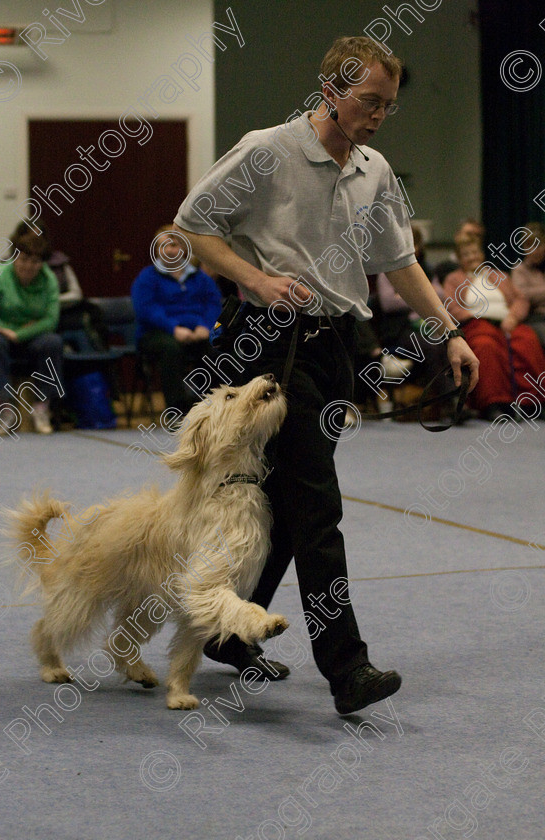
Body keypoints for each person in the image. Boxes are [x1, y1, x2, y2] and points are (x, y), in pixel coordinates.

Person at [174, 36, 479, 714]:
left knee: (288, 507)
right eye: (369, 102)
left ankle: (228, 632)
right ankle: (348, 669)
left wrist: (449, 332)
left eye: (388, 107)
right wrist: (256, 277)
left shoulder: (374, 168)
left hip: (334, 345)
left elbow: (401, 263)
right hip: (268, 345)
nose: (377, 116)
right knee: (318, 506)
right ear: (331, 92)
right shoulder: (268, 150)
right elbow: (192, 226)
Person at [443, 236, 545, 420]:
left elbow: (520, 299)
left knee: (527, 340)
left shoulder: (499, 276)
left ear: (482, 254)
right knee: (486, 345)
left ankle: (532, 402)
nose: (472, 257)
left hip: (507, 322)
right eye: (466, 254)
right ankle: (495, 403)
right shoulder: (454, 279)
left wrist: (513, 317)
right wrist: (475, 316)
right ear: (459, 259)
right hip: (476, 323)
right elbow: (450, 306)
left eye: (475, 252)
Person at [131, 226, 222, 412]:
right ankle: (177, 411)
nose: (170, 250)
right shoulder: (147, 278)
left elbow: (213, 304)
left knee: (215, 348)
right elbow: (146, 309)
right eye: (163, 246)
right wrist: (173, 328)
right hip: (157, 333)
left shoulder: (200, 278)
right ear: (156, 250)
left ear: (183, 248)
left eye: (174, 245)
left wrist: (205, 326)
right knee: (171, 349)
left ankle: (212, 408)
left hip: (198, 332)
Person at [0, 228, 63, 435]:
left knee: (52, 342)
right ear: (14, 257)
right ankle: (5, 409)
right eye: (24, 259)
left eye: (35, 262)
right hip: (1, 336)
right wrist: (6, 329)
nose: (29, 266)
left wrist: (20, 335)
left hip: (32, 338)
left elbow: (51, 320)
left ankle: (41, 408)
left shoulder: (49, 281)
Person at [511, 222, 545, 347]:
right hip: (535, 318)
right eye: (529, 246)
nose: (535, 251)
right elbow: (523, 294)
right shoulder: (519, 270)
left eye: (539, 245)